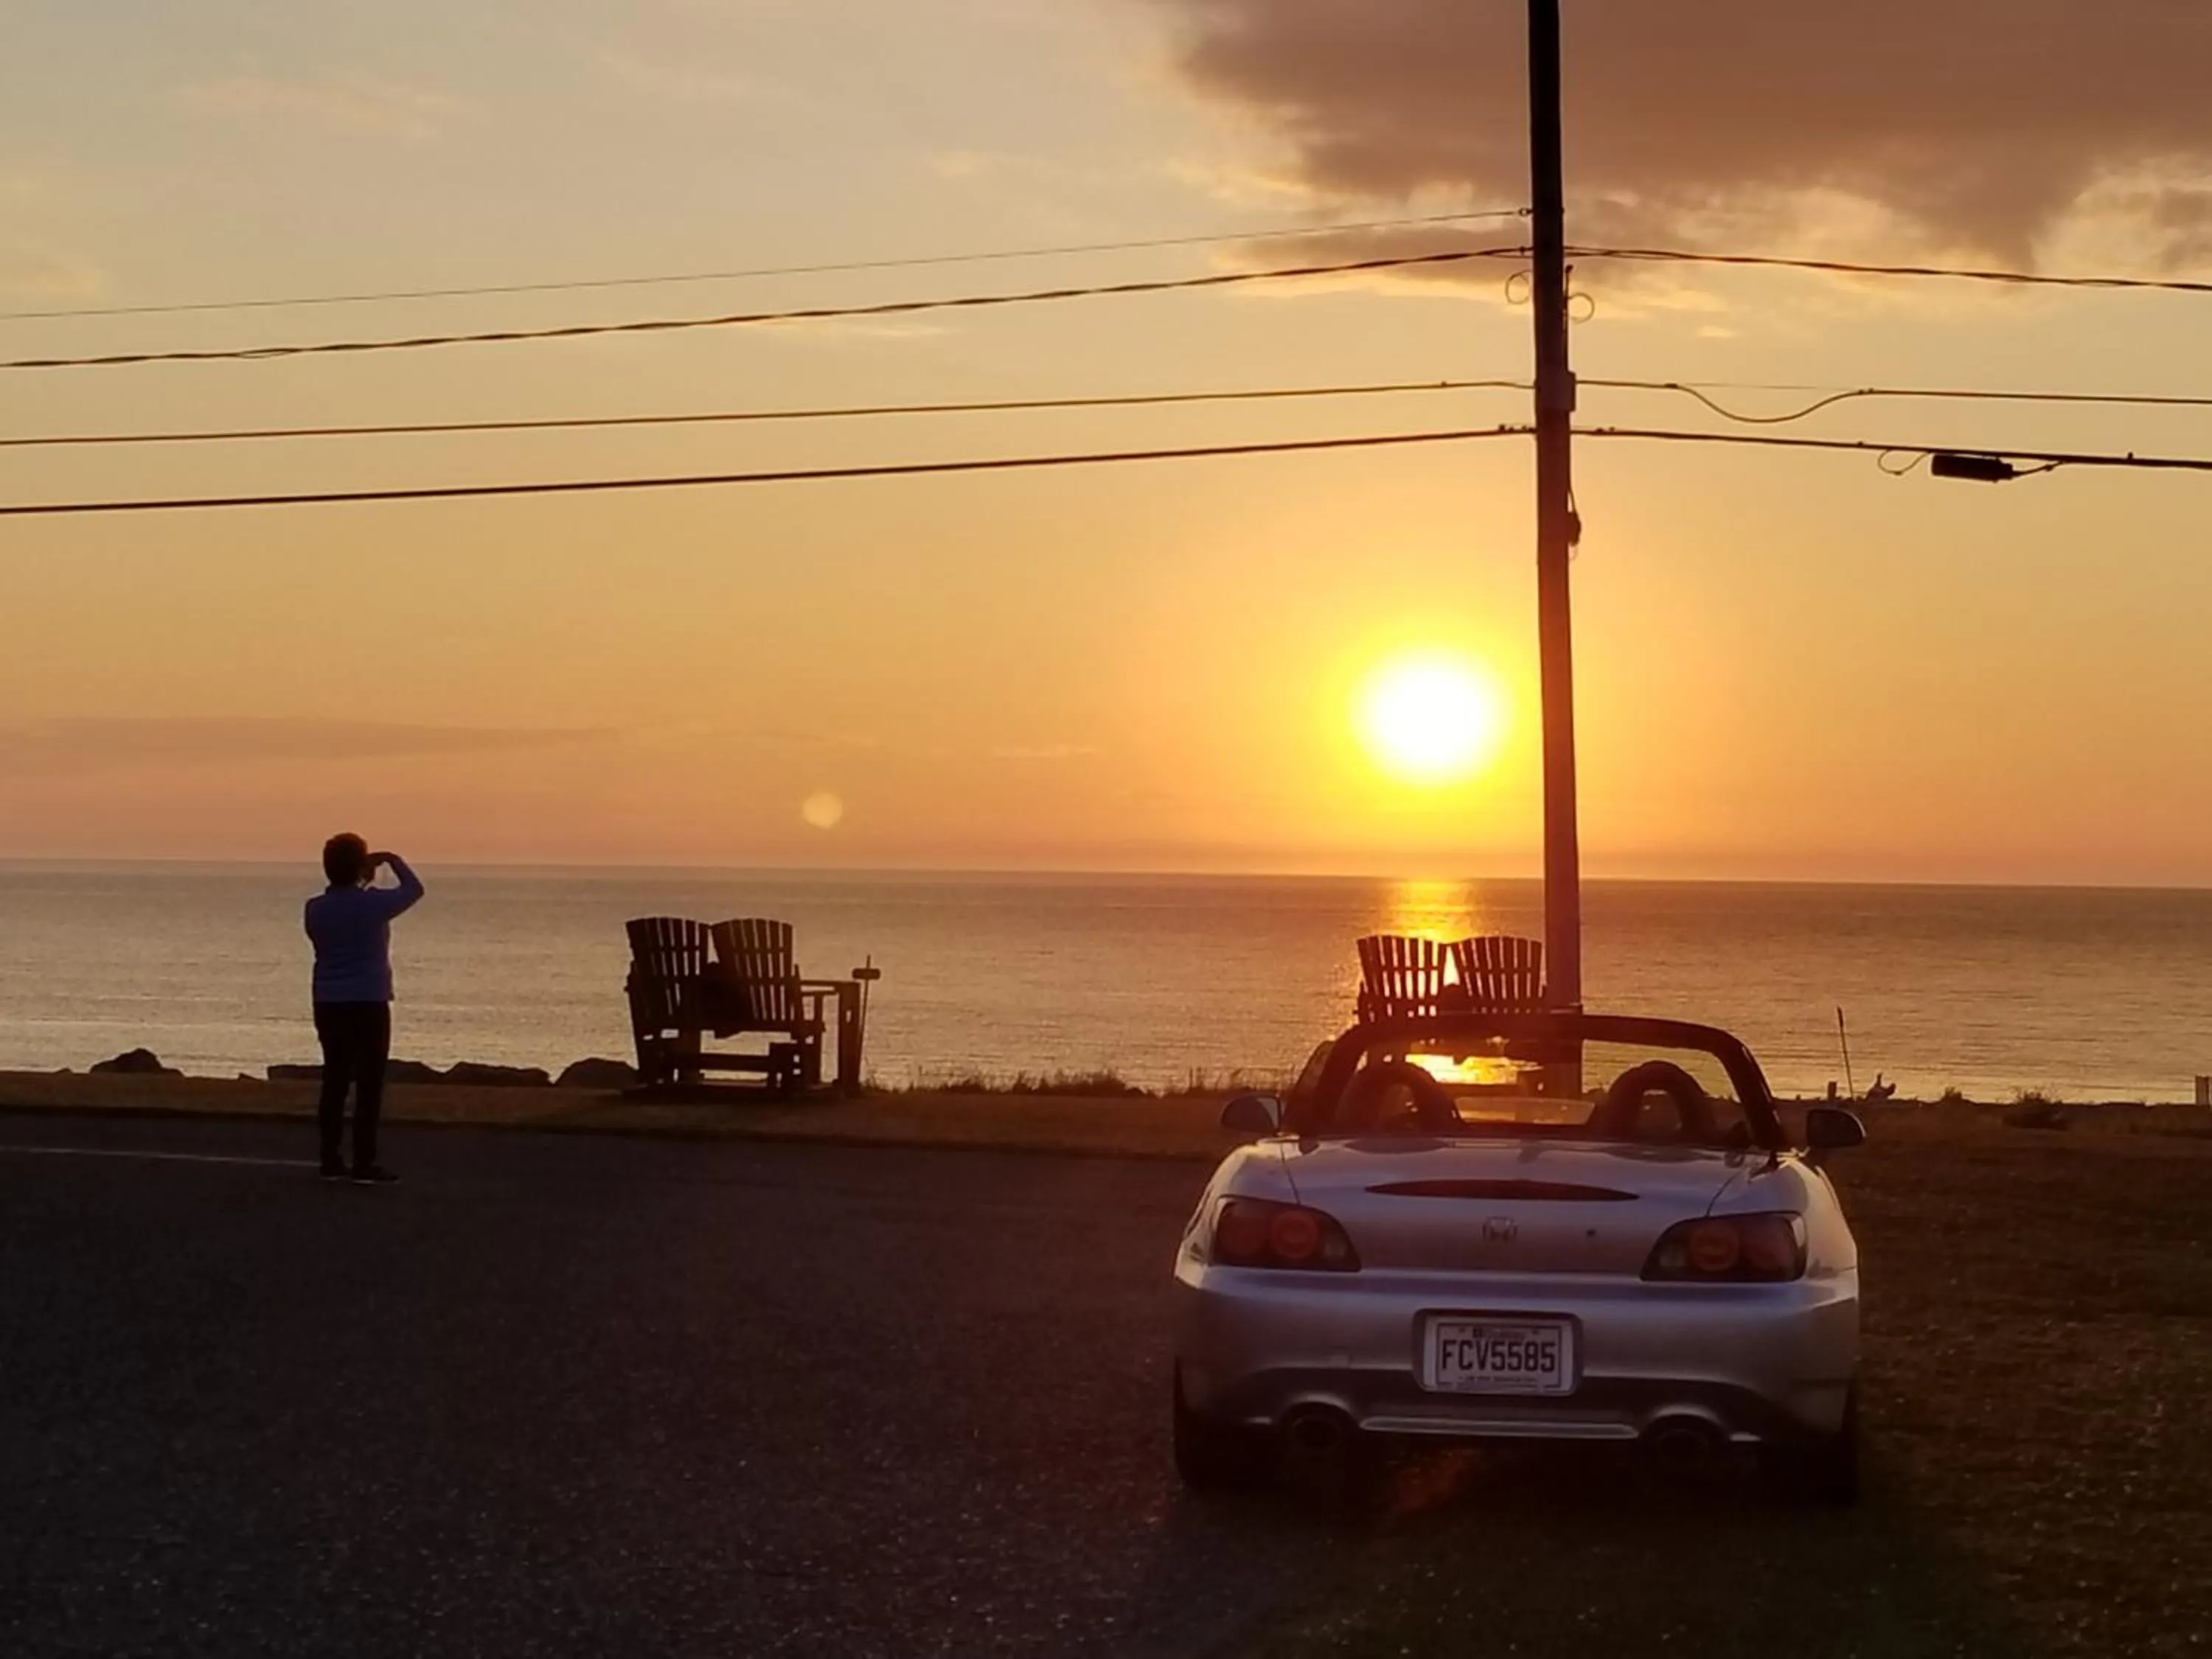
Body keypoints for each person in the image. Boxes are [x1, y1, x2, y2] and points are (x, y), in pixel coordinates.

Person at [304, 835, 425, 1184]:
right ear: (360, 865)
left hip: (328, 1000)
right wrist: (392, 858)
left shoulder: (315, 908)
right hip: (368, 1000)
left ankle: (330, 1158)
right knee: (370, 1084)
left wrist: (361, 877)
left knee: (335, 1079)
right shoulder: (372, 905)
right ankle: (364, 1162)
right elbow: (414, 889)